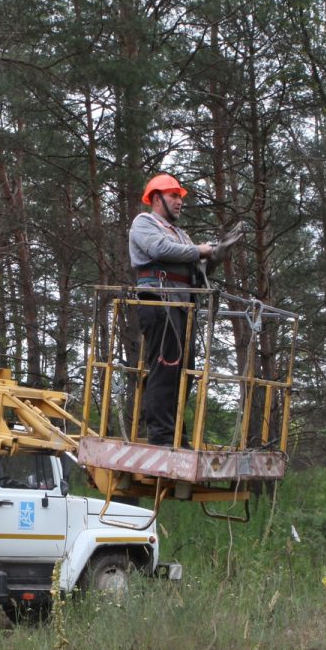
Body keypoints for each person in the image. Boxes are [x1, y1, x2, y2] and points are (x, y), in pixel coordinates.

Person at [127, 173, 214, 447]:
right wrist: (201, 250)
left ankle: (177, 435)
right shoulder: (144, 223)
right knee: (165, 368)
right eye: (173, 196)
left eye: (179, 197)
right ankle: (162, 437)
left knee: (182, 373)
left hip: (180, 307)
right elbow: (161, 249)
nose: (179, 202)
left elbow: (194, 265)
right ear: (156, 199)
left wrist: (216, 254)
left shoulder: (181, 234)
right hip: (158, 303)